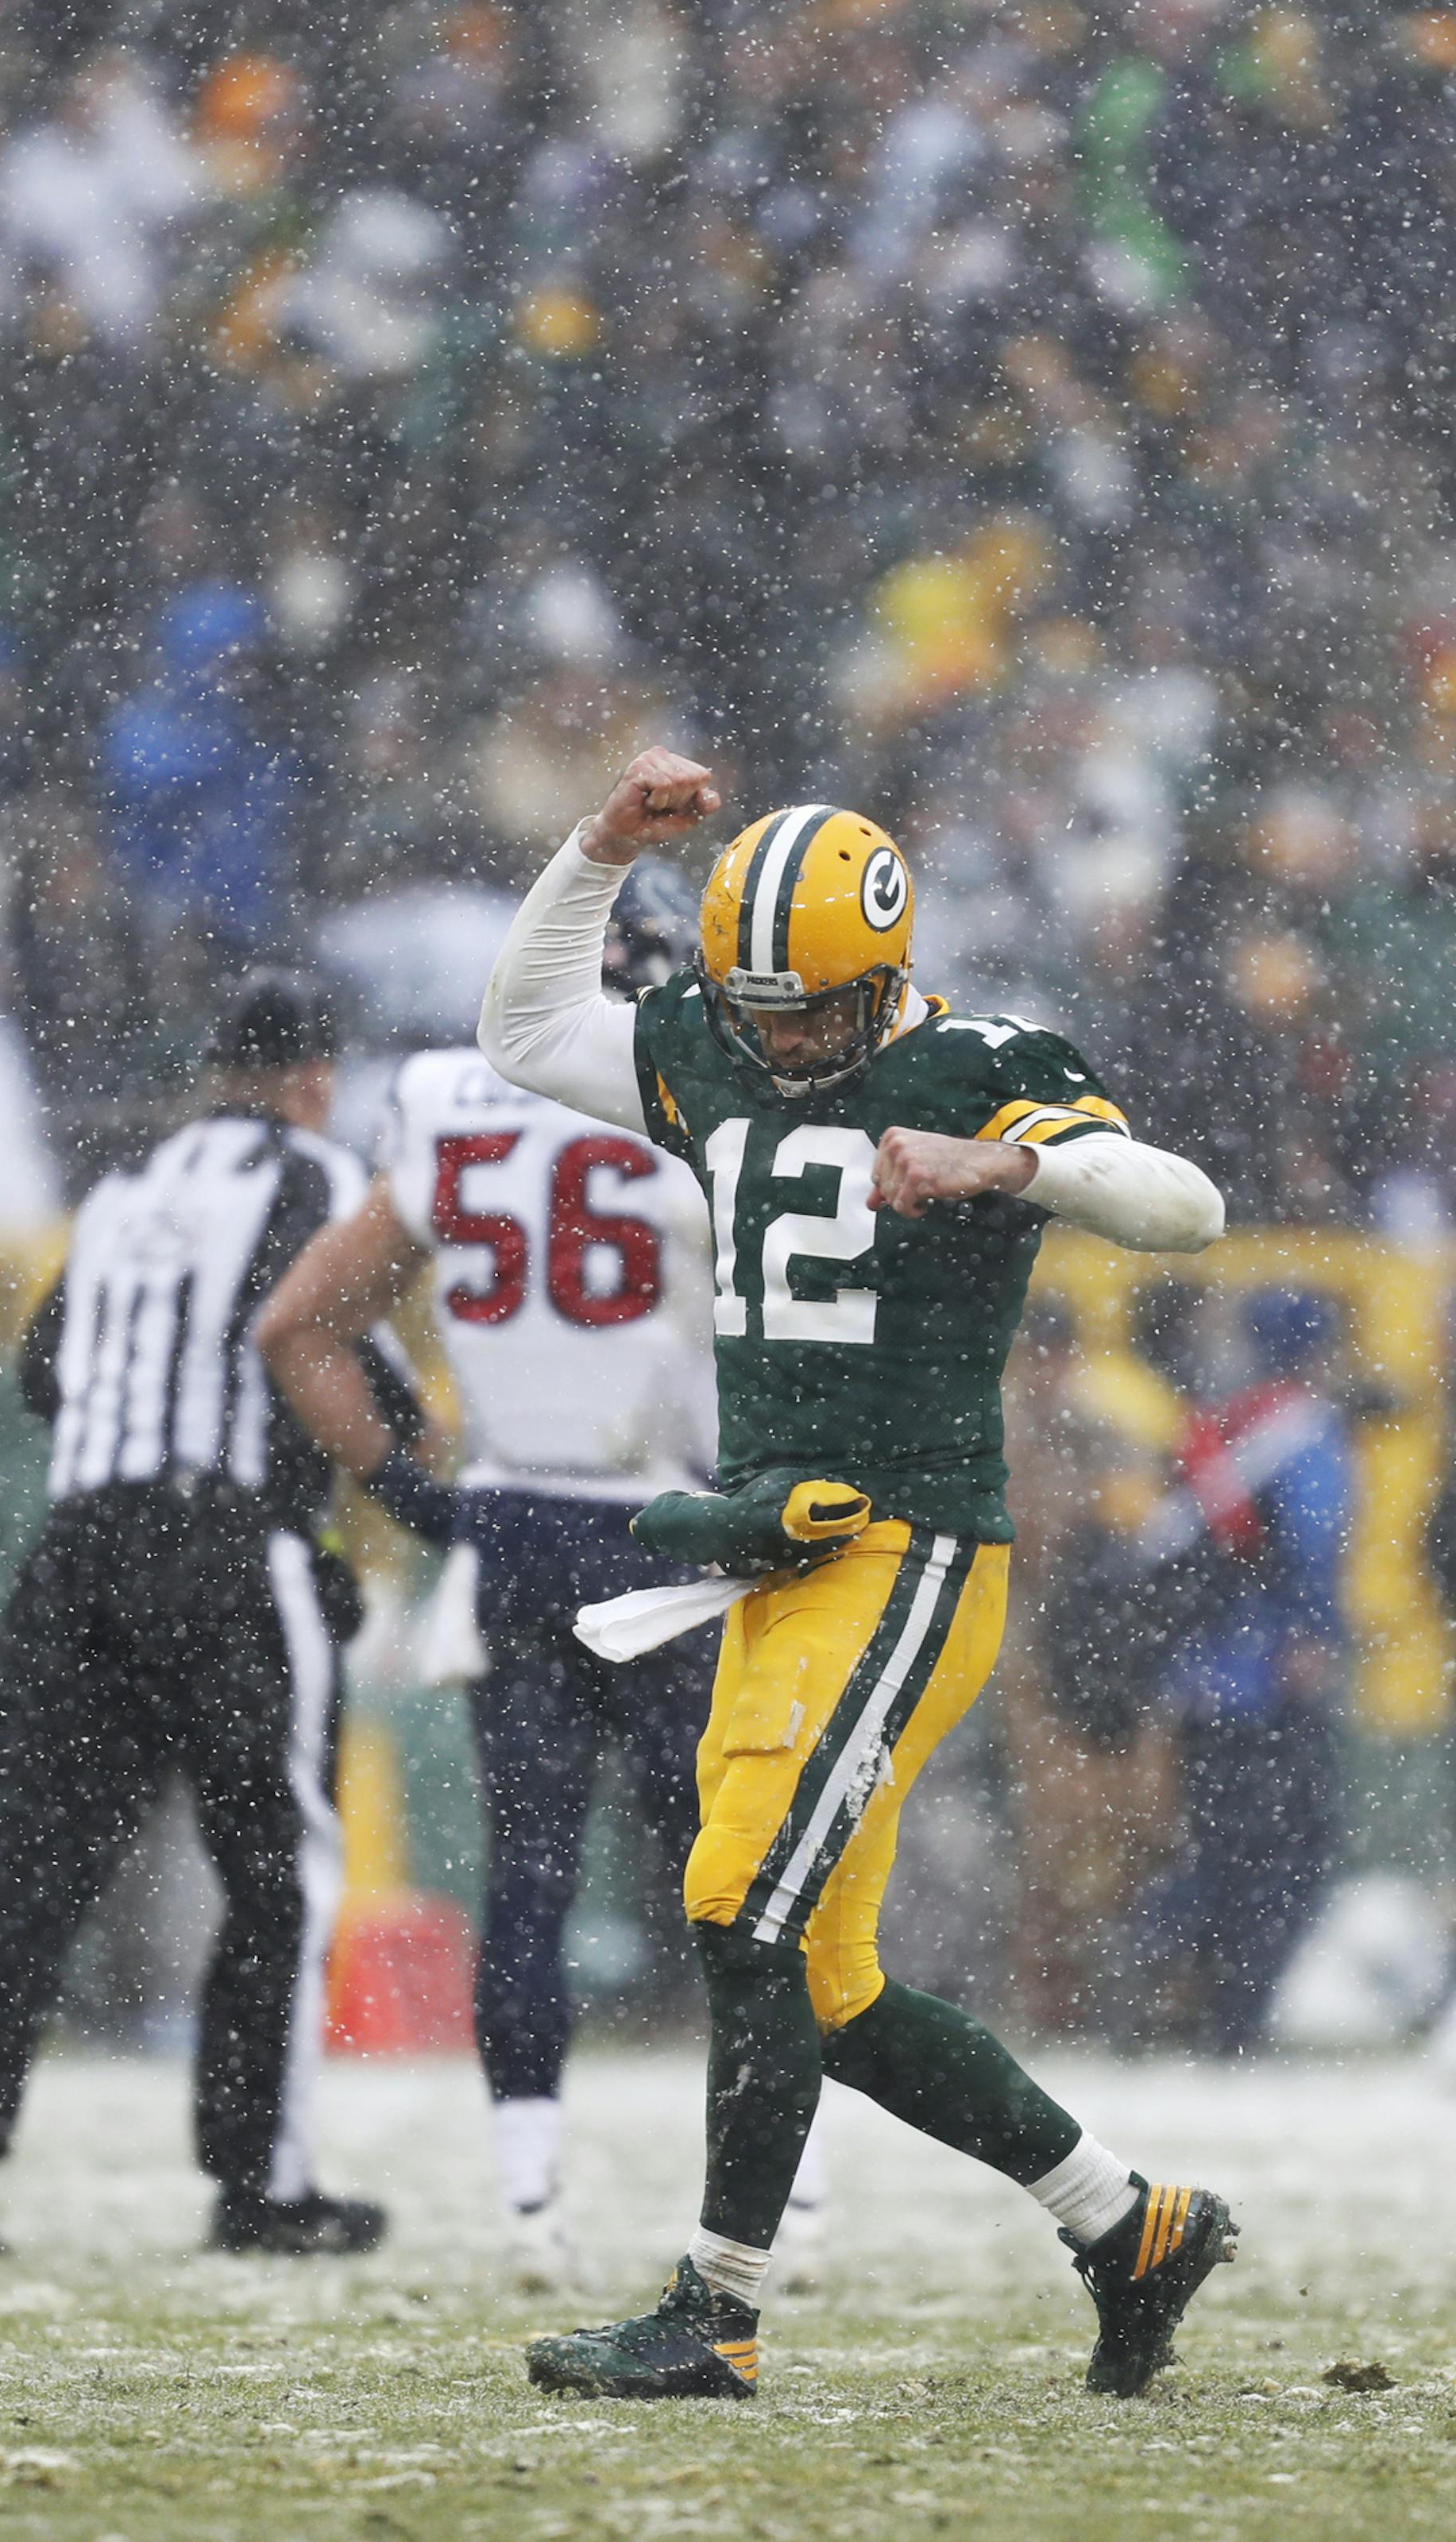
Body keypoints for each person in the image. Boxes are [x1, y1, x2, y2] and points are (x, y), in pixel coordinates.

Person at [477, 747, 1234, 2403]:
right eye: (756, 1008)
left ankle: (717, 2311)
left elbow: (1186, 1205)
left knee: (734, 1898)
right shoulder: (710, 1040)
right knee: (823, 1981)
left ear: (886, 972)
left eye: (811, 1011)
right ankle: (1131, 2226)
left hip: (908, 1547)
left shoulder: (979, 1065)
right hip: (777, 1552)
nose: (779, 1039)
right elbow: (524, 1033)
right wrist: (597, 848)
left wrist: (1014, 1165)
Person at [253, 865, 832, 2288]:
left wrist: (417, 1498)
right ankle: (791, 2201)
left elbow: (301, 1330)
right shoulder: (712, 1103)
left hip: (514, 1528)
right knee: (739, 1881)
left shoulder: (451, 1097)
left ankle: (529, 2201)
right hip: (675, 1533)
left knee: (530, 1876)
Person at [0, 973, 412, 2260]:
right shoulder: (324, 1180)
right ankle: (262, 2181)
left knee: (36, 1860)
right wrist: (390, 1496)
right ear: (315, 1079)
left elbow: (45, 1371)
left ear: (214, 1072)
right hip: (225, 1548)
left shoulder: (122, 1190)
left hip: (79, 1552)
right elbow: (327, 1358)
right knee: (276, 1875)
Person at [1134, 1288, 1350, 2051]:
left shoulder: (1222, 1425)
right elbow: (1314, 1545)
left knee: (1213, 1849)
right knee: (1286, 1857)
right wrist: (1315, 1636)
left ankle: (1146, 1978)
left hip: (1202, 1681)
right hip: (1271, 1681)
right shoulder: (1305, 1429)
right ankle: (1235, 2017)